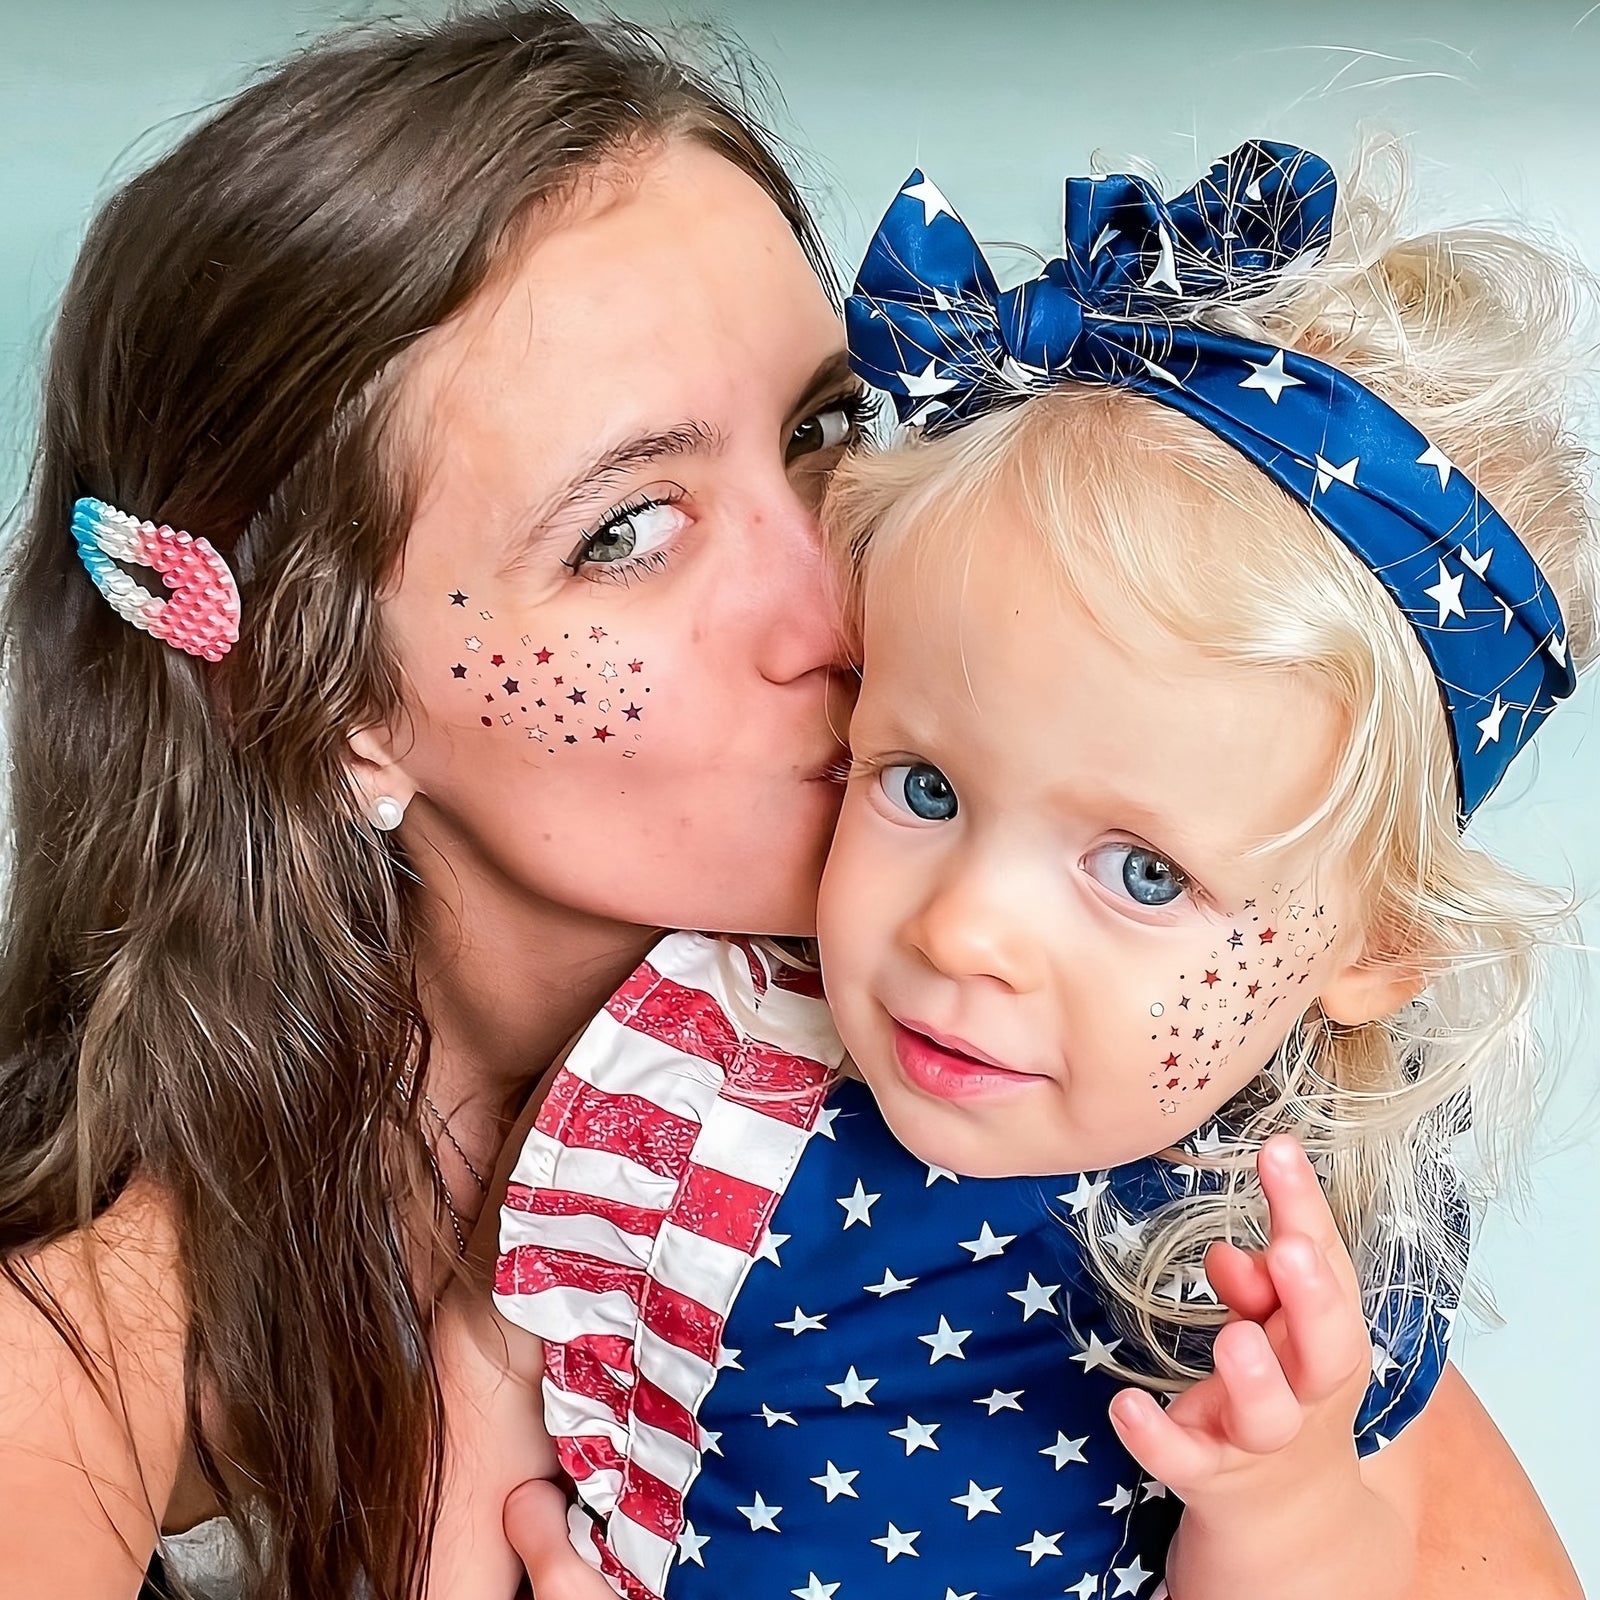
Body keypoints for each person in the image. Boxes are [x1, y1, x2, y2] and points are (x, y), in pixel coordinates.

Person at [0, 3, 1577, 1595]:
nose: (840, 594)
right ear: (323, 697)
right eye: (627, 531)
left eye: (825, 429)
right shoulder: (80, 1355)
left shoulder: (1070, 1108)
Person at [482, 143, 1593, 1599]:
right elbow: (493, 1365)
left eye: (1141, 874)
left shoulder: (1263, 1242)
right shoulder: (718, 1046)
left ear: (1369, 943)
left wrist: (1282, 1497)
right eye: (925, 787)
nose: (964, 932)